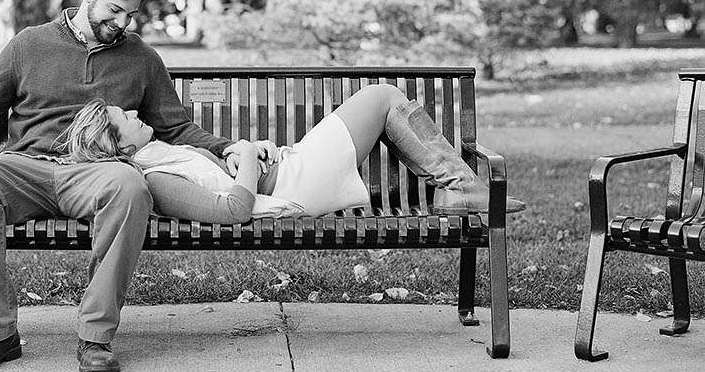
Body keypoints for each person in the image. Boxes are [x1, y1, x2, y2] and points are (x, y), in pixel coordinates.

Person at [0, 0, 247, 372]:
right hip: (26, 166)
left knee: (130, 188)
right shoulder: (30, 44)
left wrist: (226, 149)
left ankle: (95, 336)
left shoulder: (140, 58)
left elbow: (176, 125)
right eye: (115, 10)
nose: (122, 24)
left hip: (95, 171)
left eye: (130, 15)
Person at [58, 87, 527, 224]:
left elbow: (218, 172)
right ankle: (459, 189)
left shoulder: (157, 155)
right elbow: (235, 210)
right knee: (382, 98)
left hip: (289, 166)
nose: (136, 113)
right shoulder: (153, 180)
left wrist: (243, 152)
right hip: (295, 182)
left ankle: (458, 190)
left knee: (381, 99)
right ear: (118, 148)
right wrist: (244, 157)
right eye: (125, 119)